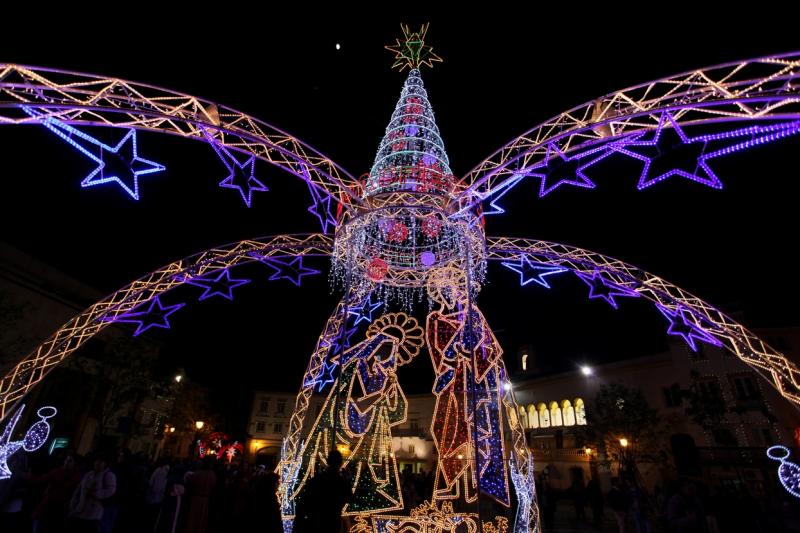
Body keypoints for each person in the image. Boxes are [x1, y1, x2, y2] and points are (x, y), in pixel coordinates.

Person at [293, 449, 352, 533]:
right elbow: (349, 498)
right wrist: (348, 481)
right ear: (340, 464)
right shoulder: (341, 482)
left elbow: (304, 503)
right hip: (332, 522)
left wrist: (297, 525)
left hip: (315, 522)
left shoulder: (316, 480)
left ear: (327, 462)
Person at [68, 453, 117, 533]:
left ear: (105, 464)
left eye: (101, 462)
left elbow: (111, 490)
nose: (98, 463)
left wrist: (97, 494)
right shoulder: (89, 474)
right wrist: (73, 504)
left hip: (94, 513)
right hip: (79, 510)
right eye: (97, 461)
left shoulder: (109, 475)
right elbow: (79, 489)